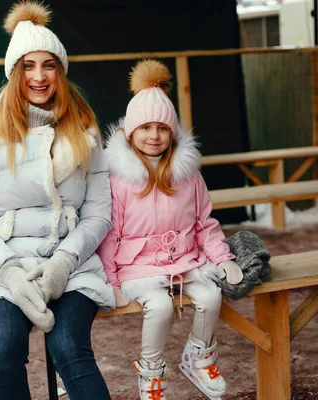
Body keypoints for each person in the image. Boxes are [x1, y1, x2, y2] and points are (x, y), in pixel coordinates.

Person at [0, 2, 113, 399]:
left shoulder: (83, 125)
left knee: (68, 347)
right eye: (28, 65)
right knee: (5, 344)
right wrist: (8, 272)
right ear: (13, 71)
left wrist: (63, 263)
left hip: (68, 262)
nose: (39, 76)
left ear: (60, 70)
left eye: (49, 65)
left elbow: (98, 213)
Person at [97, 59, 244, 400]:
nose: (154, 135)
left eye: (162, 128)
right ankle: (150, 374)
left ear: (173, 133)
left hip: (183, 259)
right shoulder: (118, 178)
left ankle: (198, 355)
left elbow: (203, 222)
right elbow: (109, 233)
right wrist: (112, 280)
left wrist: (221, 257)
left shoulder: (188, 174)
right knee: (160, 307)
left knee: (210, 295)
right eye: (145, 127)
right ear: (131, 132)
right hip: (137, 267)